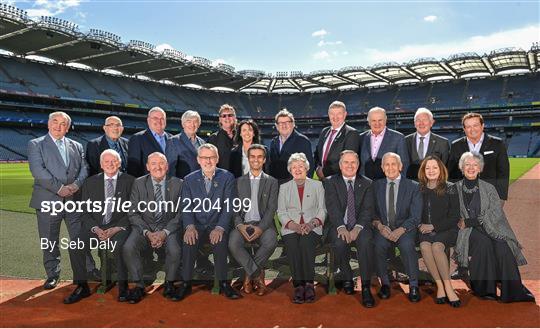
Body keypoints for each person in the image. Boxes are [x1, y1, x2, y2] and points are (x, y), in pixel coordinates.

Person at [454, 152, 535, 303]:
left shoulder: (489, 188)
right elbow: (453, 217)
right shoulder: (454, 189)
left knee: (503, 246)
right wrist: (466, 223)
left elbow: (496, 214)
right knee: (483, 243)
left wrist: (470, 221)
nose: (471, 168)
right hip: (466, 232)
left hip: (488, 227)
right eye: (467, 165)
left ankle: (513, 291)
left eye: (475, 165)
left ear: (480, 168)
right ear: (462, 168)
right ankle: (485, 289)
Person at [27, 111, 89, 290]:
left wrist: (76, 185)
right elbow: (39, 171)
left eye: (63, 123)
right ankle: (52, 274)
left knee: (78, 238)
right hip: (48, 200)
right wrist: (60, 189)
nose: (58, 126)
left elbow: (84, 168)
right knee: (49, 240)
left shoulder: (77, 145)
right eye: (55, 121)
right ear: (48, 124)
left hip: (74, 200)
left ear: (68, 128)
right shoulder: (36, 144)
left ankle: (84, 272)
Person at [65, 149, 135, 304]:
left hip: (118, 227)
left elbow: (134, 210)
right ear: (101, 165)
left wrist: (116, 229)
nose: (110, 164)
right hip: (96, 227)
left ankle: (123, 286)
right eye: (106, 162)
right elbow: (84, 211)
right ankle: (82, 286)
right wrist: (96, 229)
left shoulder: (130, 181)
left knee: (119, 246)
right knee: (74, 246)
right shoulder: (90, 182)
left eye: (114, 161)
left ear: (119, 163)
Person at [177, 144, 240, 300]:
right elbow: (186, 206)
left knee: (220, 243)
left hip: (217, 224)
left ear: (217, 158)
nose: (208, 161)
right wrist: (190, 226)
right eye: (204, 157)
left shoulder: (227, 177)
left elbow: (228, 207)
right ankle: (185, 283)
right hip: (196, 225)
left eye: (211, 157)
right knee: (188, 242)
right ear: (198, 160)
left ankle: (224, 283)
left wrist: (219, 228)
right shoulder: (189, 179)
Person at [123, 152, 183, 303]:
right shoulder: (138, 183)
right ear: (148, 167)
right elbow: (133, 213)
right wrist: (148, 233)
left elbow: (181, 213)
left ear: (167, 166)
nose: (158, 167)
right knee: (129, 247)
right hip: (144, 228)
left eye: (161, 163)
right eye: (154, 164)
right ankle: (139, 285)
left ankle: (169, 283)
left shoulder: (178, 183)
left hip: (168, 229)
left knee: (174, 249)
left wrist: (164, 232)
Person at [324, 150, 375, 308]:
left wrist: (356, 229)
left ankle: (366, 286)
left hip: (361, 225)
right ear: (340, 165)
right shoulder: (330, 181)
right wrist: (342, 228)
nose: (350, 165)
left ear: (358, 165)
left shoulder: (367, 183)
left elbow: (368, 210)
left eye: (353, 162)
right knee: (339, 243)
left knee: (365, 242)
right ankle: (347, 277)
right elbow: (332, 208)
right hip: (339, 224)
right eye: (346, 162)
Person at [229, 144, 278, 296]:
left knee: (271, 240)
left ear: (264, 160)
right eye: (252, 157)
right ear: (248, 159)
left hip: (263, 224)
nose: (255, 160)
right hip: (243, 224)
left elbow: (271, 209)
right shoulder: (238, 181)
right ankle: (257, 274)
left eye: (259, 157)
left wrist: (261, 228)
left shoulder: (272, 182)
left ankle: (248, 275)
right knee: (233, 242)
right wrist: (239, 225)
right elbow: (234, 208)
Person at [372, 152, 422, 303]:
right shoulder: (376, 186)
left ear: (400, 166)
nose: (390, 167)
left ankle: (413, 285)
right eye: (386, 164)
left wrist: (401, 230)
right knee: (378, 245)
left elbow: (415, 216)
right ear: (382, 167)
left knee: (407, 245)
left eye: (394, 164)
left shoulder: (413, 187)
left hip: (405, 229)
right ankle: (385, 283)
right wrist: (379, 226)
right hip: (384, 228)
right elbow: (371, 212)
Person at [277, 152, 326, 304]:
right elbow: (281, 212)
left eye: (301, 166)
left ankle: (309, 284)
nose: (297, 169)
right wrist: (295, 226)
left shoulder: (317, 185)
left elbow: (322, 210)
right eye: (294, 167)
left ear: (306, 168)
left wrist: (311, 224)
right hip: (291, 227)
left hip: (312, 227)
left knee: (305, 244)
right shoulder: (284, 187)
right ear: (290, 170)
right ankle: (298, 286)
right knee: (292, 245)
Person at [417, 156, 460, 307]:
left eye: (435, 167)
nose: (431, 171)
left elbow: (454, 216)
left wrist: (433, 226)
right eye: (427, 168)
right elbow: (414, 213)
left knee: (436, 247)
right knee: (424, 247)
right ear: (423, 171)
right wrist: (420, 225)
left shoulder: (450, 187)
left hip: (446, 229)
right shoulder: (419, 189)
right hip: (424, 230)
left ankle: (448, 287)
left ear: (441, 169)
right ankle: (439, 286)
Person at [448, 112, 509, 203]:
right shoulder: (456, 145)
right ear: (464, 129)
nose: (472, 129)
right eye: (468, 126)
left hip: (490, 196)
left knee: (489, 218)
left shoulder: (497, 144)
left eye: (475, 125)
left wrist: (501, 196)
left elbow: (503, 171)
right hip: (464, 196)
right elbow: (452, 173)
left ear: (482, 126)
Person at [314, 101, 360, 180]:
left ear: (345, 114)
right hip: (322, 181)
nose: (335, 117)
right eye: (332, 114)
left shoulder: (351, 133)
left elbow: (347, 160)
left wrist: (324, 172)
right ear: (328, 115)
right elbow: (317, 154)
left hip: (339, 181)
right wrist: (317, 168)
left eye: (339, 113)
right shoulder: (324, 131)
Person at [359, 107, 409, 180]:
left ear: (385, 120)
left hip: (388, 185)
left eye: (380, 120)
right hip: (366, 186)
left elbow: (404, 164)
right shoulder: (361, 138)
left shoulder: (398, 138)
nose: (377, 123)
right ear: (368, 121)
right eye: (373, 120)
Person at [268, 109, 314, 184]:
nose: (284, 125)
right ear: (276, 126)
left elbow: (309, 168)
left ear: (293, 124)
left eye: (287, 122)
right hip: (277, 186)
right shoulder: (273, 142)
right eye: (280, 123)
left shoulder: (303, 141)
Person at [405, 108, 449, 180]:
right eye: (418, 120)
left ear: (431, 122)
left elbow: (444, 168)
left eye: (424, 120)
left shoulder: (443, 143)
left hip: (435, 186)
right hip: (411, 185)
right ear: (414, 123)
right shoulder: (405, 141)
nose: (421, 123)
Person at [127, 107, 171, 177]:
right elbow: (133, 168)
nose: (159, 121)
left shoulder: (172, 138)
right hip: (148, 184)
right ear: (148, 120)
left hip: (170, 184)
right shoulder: (137, 138)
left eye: (162, 119)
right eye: (155, 118)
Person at [166, 110, 206, 179]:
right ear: (183, 124)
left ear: (199, 124)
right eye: (189, 121)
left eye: (195, 122)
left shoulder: (203, 142)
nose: (192, 125)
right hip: (182, 184)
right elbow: (170, 169)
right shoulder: (173, 141)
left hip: (200, 184)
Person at [208, 104, 237, 171]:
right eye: (224, 116)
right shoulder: (213, 138)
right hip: (222, 178)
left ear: (234, 118)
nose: (227, 118)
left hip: (241, 178)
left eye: (230, 115)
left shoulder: (241, 136)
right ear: (220, 119)